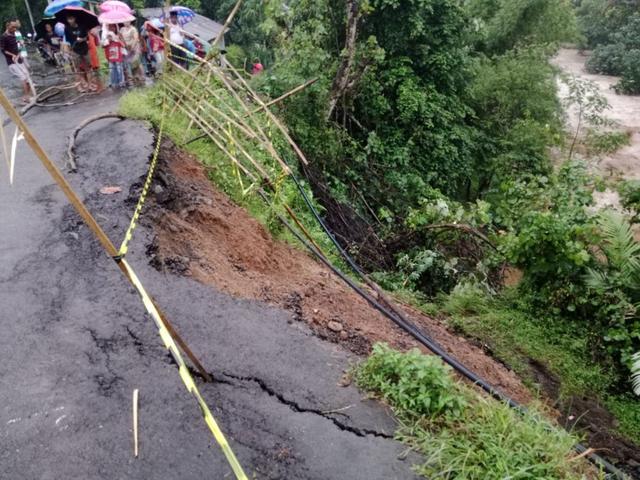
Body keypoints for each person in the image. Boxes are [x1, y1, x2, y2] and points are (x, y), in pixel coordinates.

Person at [0, 20, 34, 104]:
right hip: (12, 62)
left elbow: (19, 46)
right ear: (7, 26)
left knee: (27, 77)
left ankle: (27, 96)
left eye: (15, 27)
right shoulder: (4, 37)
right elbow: (3, 50)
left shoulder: (15, 34)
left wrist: (20, 53)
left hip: (19, 59)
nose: (14, 29)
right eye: (13, 27)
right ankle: (27, 97)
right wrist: (13, 55)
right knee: (23, 78)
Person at [64, 14, 93, 92]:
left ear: (74, 18)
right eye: (68, 19)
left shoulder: (82, 26)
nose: (70, 21)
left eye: (71, 18)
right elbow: (67, 40)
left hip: (84, 49)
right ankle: (79, 86)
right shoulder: (67, 28)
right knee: (77, 69)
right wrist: (69, 50)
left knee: (88, 67)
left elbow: (86, 37)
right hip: (75, 50)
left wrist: (82, 39)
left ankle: (90, 85)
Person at [119, 21, 143, 86]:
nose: (126, 23)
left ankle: (140, 78)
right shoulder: (122, 29)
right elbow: (120, 38)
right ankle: (133, 78)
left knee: (135, 62)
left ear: (130, 22)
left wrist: (133, 46)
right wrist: (123, 44)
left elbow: (136, 38)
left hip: (134, 47)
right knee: (129, 63)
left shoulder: (133, 29)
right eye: (125, 22)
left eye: (127, 22)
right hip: (127, 48)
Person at [102, 24, 125, 89]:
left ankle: (121, 82)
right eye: (108, 37)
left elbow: (123, 45)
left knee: (119, 70)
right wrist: (106, 41)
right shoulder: (107, 43)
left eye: (110, 36)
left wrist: (118, 39)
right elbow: (102, 46)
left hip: (118, 58)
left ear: (113, 36)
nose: (109, 38)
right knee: (112, 71)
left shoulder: (117, 41)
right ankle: (114, 83)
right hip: (111, 59)